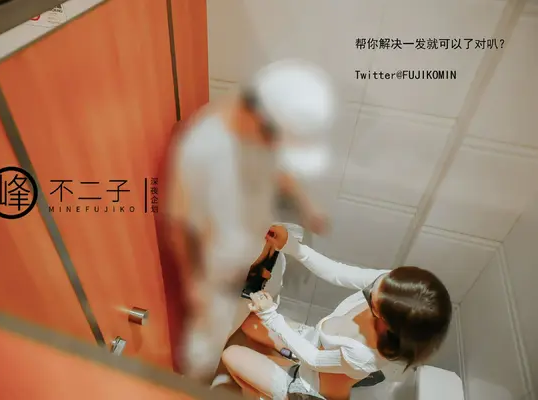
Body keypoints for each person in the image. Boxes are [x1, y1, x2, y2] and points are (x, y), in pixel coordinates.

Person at [163, 59, 337, 381]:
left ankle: (234, 341)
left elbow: (279, 171)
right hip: (219, 270)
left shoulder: (262, 132)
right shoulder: (202, 150)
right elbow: (179, 224)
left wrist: (307, 207)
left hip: (260, 250)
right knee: (206, 347)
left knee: (255, 306)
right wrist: (192, 283)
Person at [221, 225, 452, 400]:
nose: (370, 287)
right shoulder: (388, 287)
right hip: (316, 345)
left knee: (231, 355)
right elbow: (337, 272)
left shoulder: (365, 356)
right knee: (249, 325)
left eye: (371, 298)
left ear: (386, 323)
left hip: (311, 385)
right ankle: (283, 357)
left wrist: (271, 316)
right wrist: (293, 246)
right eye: (377, 283)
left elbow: (314, 359)